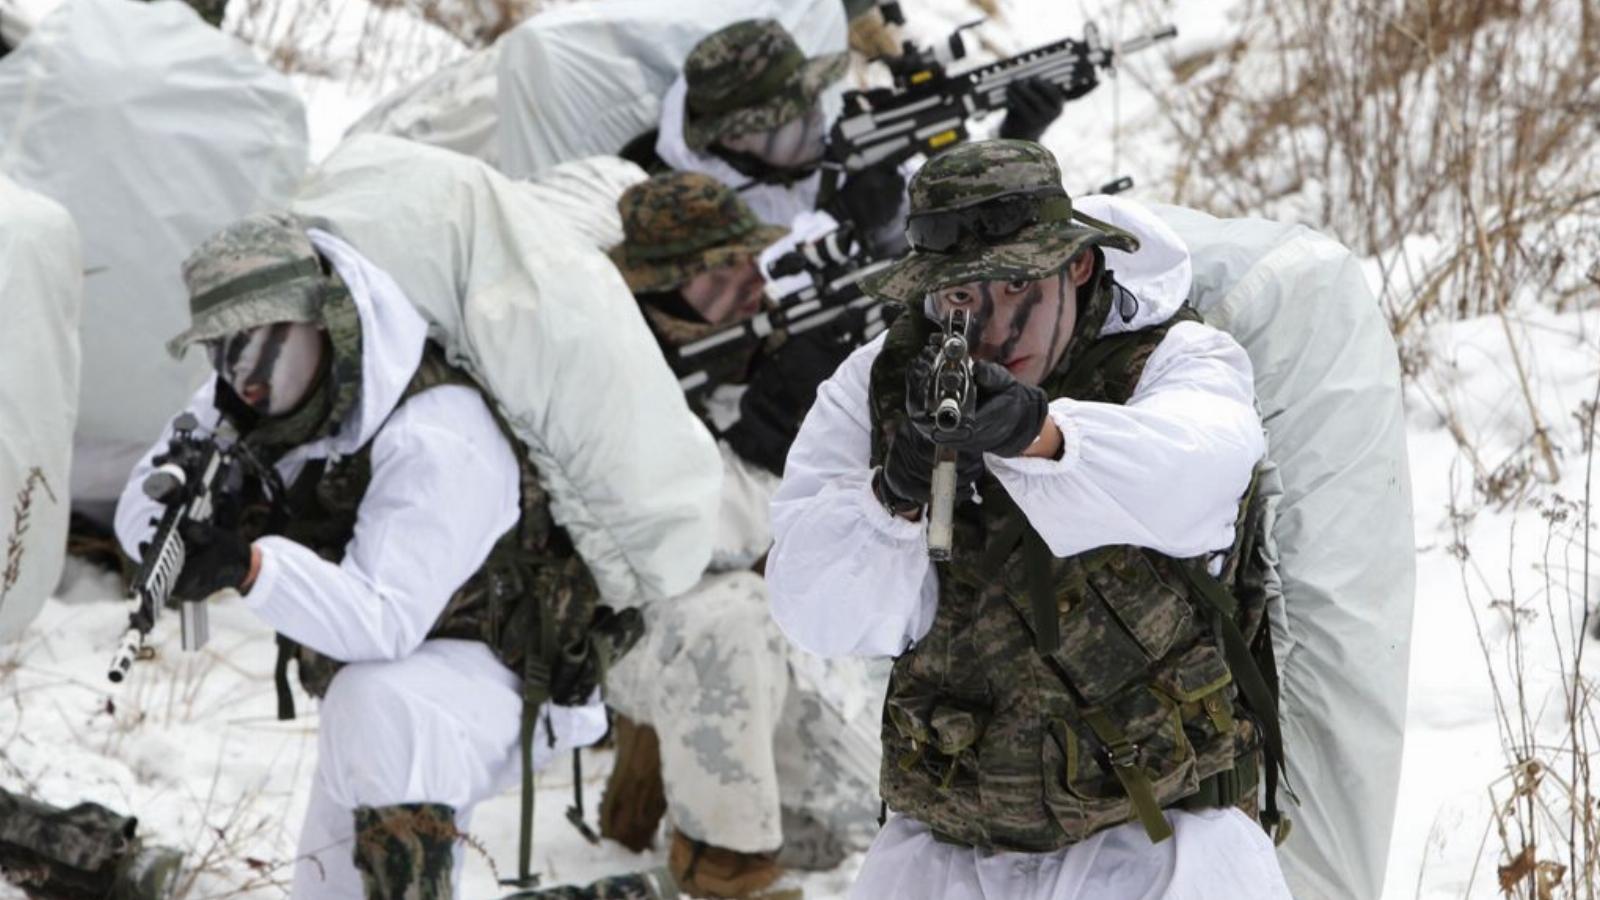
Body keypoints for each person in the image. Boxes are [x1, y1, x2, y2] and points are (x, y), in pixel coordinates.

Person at [763, 139, 1294, 898]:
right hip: (946, 849)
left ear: (1076, 265)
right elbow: (814, 612)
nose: (989, 325)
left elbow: (1199, 472)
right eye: (958, 298)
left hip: (1158, 846)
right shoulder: (876, 386)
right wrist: (895, 498)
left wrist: (1040, 436)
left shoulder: (1174, 358)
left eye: (1015, 286)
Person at [113, 213, 622, 899]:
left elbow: (382, 620)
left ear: (324, 323)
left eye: (260, 347)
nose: (242, 376)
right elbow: (139, 512)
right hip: (381, 677)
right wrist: (185, 521)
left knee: (380, 701)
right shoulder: (262, 387)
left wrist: (247, 566)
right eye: (222, 349)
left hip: (497, 675)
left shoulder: (438, 434)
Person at [521, 172, 887, 900]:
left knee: (844, 828)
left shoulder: (774, 339)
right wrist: (762, 452)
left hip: (784, 614)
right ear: (666, 287)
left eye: (752, 258)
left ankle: (681, 772)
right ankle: (726, 868)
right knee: (733, 616)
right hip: (625, 629)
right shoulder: (608, 372)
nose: (753, 281)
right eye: (724, 269)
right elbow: (683, 540)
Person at [624, 18, 1070, 249]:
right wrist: (850, 232)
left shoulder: (812, 155)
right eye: (793, 112)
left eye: (814, 95)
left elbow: (956, 221)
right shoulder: (688, 208)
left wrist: (1014, 144)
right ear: (737, 136)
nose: (819, 114)